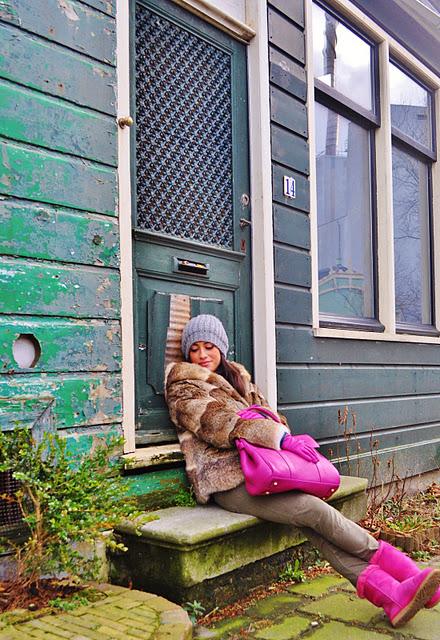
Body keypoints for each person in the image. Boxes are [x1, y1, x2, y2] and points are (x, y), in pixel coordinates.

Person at [164, 314, 440, 628]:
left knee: (314, 524)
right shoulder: (183, 387)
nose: (202, 355)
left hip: (264, 471)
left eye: (209, 346)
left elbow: (272, 418)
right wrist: (279, 437)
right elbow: (217, 423)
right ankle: (409, 574)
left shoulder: (239, 380)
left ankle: (393, 596)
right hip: (228, 482)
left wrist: (282, 433)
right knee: (313, 511)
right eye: (195, 348)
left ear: (222, 348)